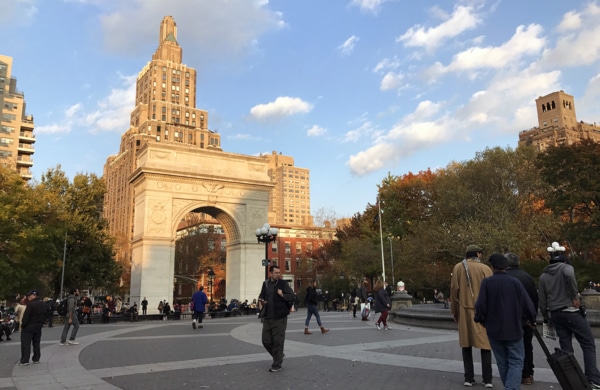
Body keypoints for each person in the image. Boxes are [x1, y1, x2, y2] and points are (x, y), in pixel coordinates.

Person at [539, 242, 600, 388]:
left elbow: (542, 299)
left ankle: (570, 377)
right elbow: (569, 274)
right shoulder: (566, 268)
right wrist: (574, 296)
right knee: (588, 344)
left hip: (555, 314)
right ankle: (592, 376)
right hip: (571, 312)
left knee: (566, 348)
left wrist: (546, 316)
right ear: (564, 261)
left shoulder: (543, 276)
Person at [475, 254, 536, 389]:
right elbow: (528, 304)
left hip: (494, 329)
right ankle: (511, 387)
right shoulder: (515, 283)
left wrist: (481, 320)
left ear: (492, 267)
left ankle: (509, 386)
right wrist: (531, 319)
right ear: (505, 266)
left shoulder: (487, 283)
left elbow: (480, 306)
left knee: (502, 362)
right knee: (516, 360)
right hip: (514, 328)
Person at [450, 244, 494, 388]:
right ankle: (487, 379)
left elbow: (454, 292)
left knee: (466, 345)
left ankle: (469, 377)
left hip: (465, 310)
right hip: (483, 313)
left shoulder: (458, 268)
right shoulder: (486, 269)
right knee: (485, 345)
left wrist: (455, 312)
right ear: (478, 254)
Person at [505, 252, 539, 385]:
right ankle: (529, 374)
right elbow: (534, 299)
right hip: (527, 319)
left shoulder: (504, 277)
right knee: (527, 345)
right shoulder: (527, 277)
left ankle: (520, 374)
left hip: (510, 319)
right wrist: (533, 317)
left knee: (513, 348)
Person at [258, 265, 295, 372]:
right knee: (265, 340)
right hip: (268, 317)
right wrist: (262, 300)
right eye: (276, 273)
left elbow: (292, 296)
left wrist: (282, 294)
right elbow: (261, 296)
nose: (278, 274)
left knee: (278, 341)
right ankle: (279, 355)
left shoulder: (283, 284)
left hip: (279, 317)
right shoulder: (265, 284)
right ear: (270, 273)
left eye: (279, 272)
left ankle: (277, 364)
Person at [18, 290, 47, 365]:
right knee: (36, 343)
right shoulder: (43, 304)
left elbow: (26, 316)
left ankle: (25, 360)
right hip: (38, 326)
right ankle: (36, 358)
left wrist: (23, 325)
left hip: (29, 326)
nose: (28, 297)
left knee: (26, 343)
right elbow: (45, 314)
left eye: (30, 295)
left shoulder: (31, 304)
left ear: (34, 295)